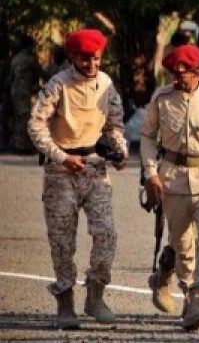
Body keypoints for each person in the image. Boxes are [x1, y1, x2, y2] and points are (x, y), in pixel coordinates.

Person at [27, 29, 128, 329]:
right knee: (62, 240)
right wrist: (61, 157)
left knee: (106, 233)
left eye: (96, 59)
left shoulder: (106, 84)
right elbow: (35, 125)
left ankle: (95, 294)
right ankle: (65, 301)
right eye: (85, 59)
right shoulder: (58, 85)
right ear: (72, 57)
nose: (91, 65)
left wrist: (120, 152)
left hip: (95, 168)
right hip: (61, 171)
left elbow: (114, 126)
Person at [141, 44, 199, 331]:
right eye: (174, 74)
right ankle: (178, 285)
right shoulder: (162, 98)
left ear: (196, 72)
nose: (178, 79)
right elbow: (147, 137)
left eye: (184, 74)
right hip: (174, 179)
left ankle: (198, 299)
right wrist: (150, 174)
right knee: (182, 245)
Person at [10, 34, 45, 153]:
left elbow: (11, 76)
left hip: (15, 90)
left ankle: (18, 143)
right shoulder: (29, 59)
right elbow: (40, 72)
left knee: (19, 116)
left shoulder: (16, 58)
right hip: (23, 91)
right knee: (24, 117)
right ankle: (21, 146)